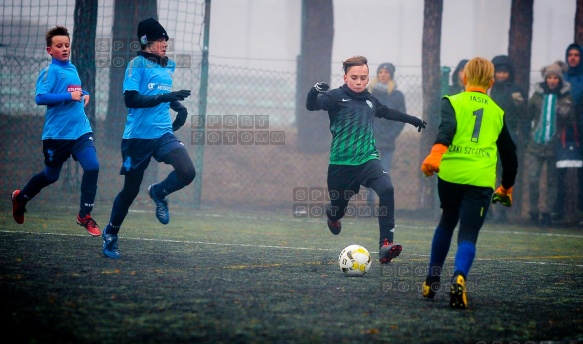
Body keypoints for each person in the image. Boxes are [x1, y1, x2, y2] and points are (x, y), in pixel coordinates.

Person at [305, 55, 426, 264]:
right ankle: (333, 216)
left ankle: (386, 244)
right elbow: (311, 105)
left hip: (368, 160)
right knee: (338, 207)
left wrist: (412, 119)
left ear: (368, 78)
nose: (359, 81)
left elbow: (388, 112)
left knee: (387, 189)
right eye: (354, 77)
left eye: (363, 77)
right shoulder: (335, 97)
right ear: (345, 78)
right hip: (341, 165)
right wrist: (313, 91)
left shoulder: (370, 100)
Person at [420, 57, 518, 309]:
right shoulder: (497, 112)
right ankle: (459, 276)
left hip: (450, 175)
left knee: (446, 221)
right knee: (468, 232)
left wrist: (436, 153)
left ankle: (432, 280)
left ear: (464, 78)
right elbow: (510, 154)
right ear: (491, 83)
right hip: (480, 179)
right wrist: (506, 186)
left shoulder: (451, 101)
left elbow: (447, 128)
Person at [101, 18, 195, 259]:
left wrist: (178, 106)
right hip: (137, 138)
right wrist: (167, 98)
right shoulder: (136, 65)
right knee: (130, 191)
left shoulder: (168, 65)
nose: (165, 43)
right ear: (146, 41)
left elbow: (160, 93)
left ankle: (159, 192)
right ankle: (111, 233)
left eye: (166, 39)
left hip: (163, 132)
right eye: (160, 39)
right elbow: (131, 99)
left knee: (187, 172)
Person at [11, 26, 101, 237]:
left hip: (80, 131)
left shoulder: (73, 69)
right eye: (59, 46)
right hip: (56, 136)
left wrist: (84, 93)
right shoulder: (49, 72)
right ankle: (20, 198)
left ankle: (84, 215)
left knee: (93, 166)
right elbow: (40, 98)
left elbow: (73, 90)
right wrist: (69, 97)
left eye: (67, 45)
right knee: (51, 176)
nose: (64, 49)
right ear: (50, 50)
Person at [526, 61, 575, 226]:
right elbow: (528, 115)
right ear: (545, 79)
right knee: (533, 178)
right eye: (550, 77)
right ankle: (533, 211)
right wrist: (528, 136)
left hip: (555, 146)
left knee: (552, 182)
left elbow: (571, 120)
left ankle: (546, 212)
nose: (552, 81)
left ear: (559, 80)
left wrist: (566, 112)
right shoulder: (537, 95)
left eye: (555, 78)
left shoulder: (566, 96)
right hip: (536, 143)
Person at [489, 55, 528, 222]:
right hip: (490, 135)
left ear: (509, 73)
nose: (502, 75)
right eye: (499, 72)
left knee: (505, 173)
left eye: (505, 72)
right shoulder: (489, 89)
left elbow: (524, 116)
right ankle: (488, 210)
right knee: (489, 172)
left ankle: (501, 212)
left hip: (509, 134)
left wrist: (524, 136)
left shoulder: (516, 91)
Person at [365, 62, 407, 208]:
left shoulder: (397, 95)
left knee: (384, 173)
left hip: (388, 142)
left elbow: (400, 119)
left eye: (386, 72)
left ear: (391, 75)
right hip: (370, 141)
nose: (383, 75)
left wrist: (391, 134)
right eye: (381, 72)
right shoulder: (368, 94)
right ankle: (369, 203)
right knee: (369, 172)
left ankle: (384, 202)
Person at [561, 44, 583, 223]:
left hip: (581, 129)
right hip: (563, 130)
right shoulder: (562, 78)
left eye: (576, 55)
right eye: (570, 55)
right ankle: (558, 212)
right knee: (560, 172)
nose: (573, 58)